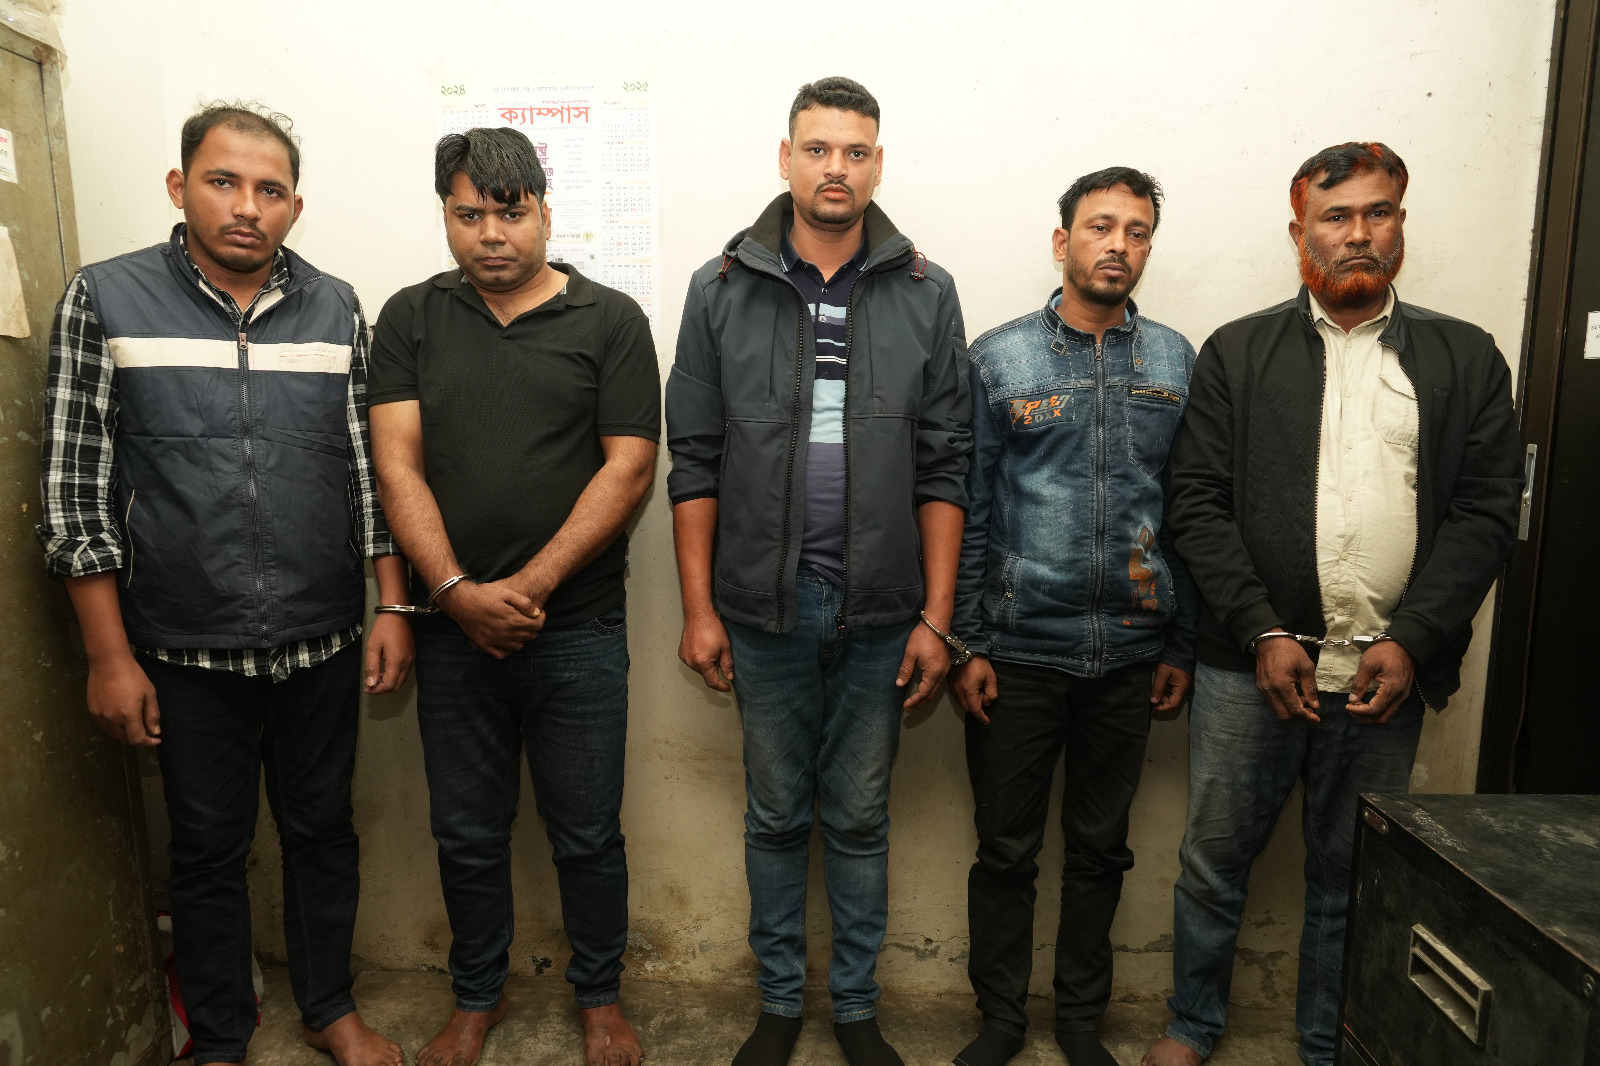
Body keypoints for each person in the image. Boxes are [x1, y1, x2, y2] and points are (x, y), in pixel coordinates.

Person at [36, 102, 408, 1066]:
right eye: (223, 182)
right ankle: (221, 1035)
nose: (247, 206)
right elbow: (74, 487)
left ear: (295, 207)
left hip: (321, 636)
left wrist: (391, 604)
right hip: (180, 644)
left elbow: (368, 473)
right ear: (179, 187)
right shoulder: (106, 298)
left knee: (322, 833)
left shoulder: (335, 306)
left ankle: (329, 1008)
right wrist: (109, 657)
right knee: (205, 850)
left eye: (270, 190)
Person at [1142, 142, 1523, 1066]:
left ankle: (1328, 1042)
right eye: (1337, 216)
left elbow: (1485, 512)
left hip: (1386, 673)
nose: (1359, 233)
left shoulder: (1466, 357)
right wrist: (1259, 629)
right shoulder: (1239, 352)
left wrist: (1416, 637)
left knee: (1352, 873)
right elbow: (1196, 502)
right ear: (1300, 232)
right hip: (1251, 667)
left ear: (1401, 224)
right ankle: (1192, 1026)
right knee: (1213, 861)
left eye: (1377, 213)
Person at [666, 76, 971, 1066]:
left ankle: (854, 1009)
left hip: (883, 609)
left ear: (876, 164)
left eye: (855, 151)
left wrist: (935, 617)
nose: (835, 168)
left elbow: (946, 462)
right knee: (774, 814)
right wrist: (698, 609)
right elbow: (693, 459)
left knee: (859, 816)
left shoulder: (926, 291)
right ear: (785, 156)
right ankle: (778, 1003)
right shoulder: (722, 287)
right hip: (764, 609)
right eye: (817, 148)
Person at [367, 126, 658, 1066]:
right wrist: (456, 594)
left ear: (544, 211)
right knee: (465, 833)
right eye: (468, 215)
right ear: (446, 217)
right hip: (452, 636)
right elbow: (396, 466)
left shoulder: (611, 320)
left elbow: (629, 469)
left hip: (577, 631)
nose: (490, 233)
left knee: (587, 835)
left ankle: (600, 999)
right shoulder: (410, 318)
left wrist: (525, 589)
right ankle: (475, 999)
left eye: (510, 212)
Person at [949, 168, 1198, 1066]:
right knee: (1006, 852)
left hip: (1131, 651)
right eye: (1100, 226)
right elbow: (968, 505)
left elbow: (1190, 507)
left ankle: (1082, 1023)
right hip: (1017, 650)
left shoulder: (1174, 361)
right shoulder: (999, 359)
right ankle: (1002, 1020)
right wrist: (968, 642)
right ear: (1063, 242)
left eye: (1136, 231)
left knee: (1101, 851)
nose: (1118, 245)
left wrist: (1181, 641)